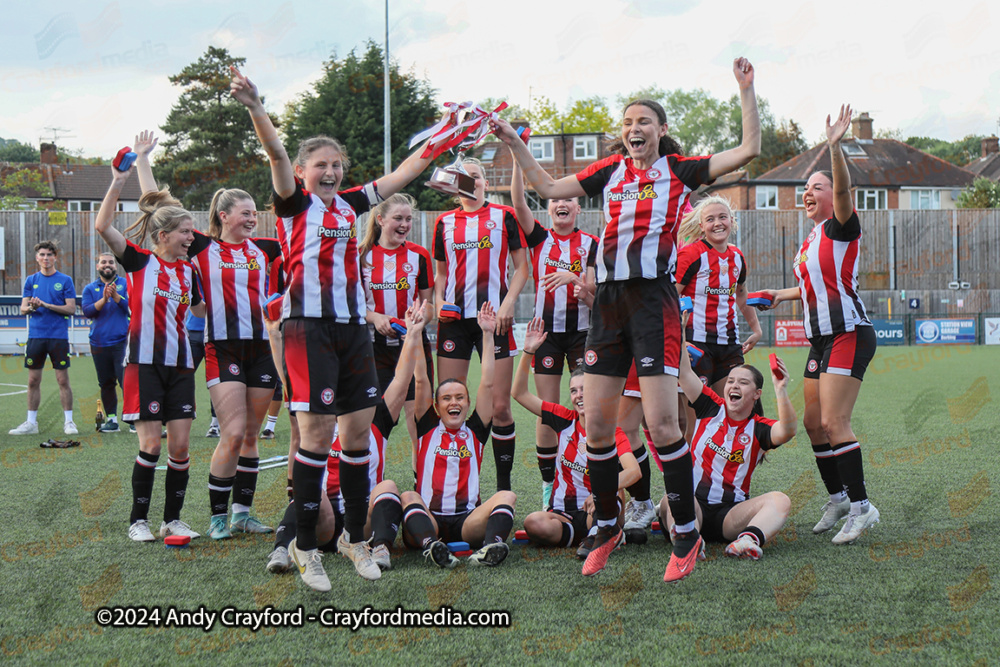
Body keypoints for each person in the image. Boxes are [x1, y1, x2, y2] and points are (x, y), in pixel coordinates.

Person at [494, 57, 761, 580]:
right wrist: (512, 142)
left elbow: (748, 149)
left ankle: (685, 533)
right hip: (608, 304)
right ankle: (608, 523)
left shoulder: (680, 169)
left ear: (661, 131)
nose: (633, 129)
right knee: (597, 424)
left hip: (652, 304)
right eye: (627, 123)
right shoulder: (608, 172)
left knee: (662, 424)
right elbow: (547, 189)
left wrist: (745, 91)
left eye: (643, 122)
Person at [234, 65, 436, 589]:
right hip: (309, 330)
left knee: (356, 439)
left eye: (336, 165)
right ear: (302, 171)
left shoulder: (349, 206)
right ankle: (305, 546)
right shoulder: (293, 205)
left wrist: (442, 139)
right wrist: (258, 107)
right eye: (320, 164)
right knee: (317, 436)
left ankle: (352, 538)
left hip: (352, 332)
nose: (330, 172)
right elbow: (276, 154)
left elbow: (402, 175)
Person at [757, 105, 879, 545]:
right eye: (805, 188)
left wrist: (834, 149)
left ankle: (863, 508)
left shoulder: (841, 226)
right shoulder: (809, 239)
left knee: (834, 423)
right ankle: (840, 498)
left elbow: (844, 189)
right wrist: (777, 295)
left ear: (833, 196)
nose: (807, 193)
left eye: (817, 187)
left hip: (848, 333)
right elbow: (812, 290)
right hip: (821, 340)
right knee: (812, 423)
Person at [268, 301, 427, 574]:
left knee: (388, 486)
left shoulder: (373, 416)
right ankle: (282, 548)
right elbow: (289, 378)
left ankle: (379, 548)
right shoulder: (318, 415)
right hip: (326, 523)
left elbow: (401, 381)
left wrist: (412, 334)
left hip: (362, 522)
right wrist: (274, 335)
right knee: (311, 492)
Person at [94, 159, 203, 543]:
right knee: (151, 445)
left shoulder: (190, 272)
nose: (192, 237)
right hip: (143, 364)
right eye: (186, 232)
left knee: (181, 447)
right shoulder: (140, 262)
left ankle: (171, 520)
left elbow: (201, 310)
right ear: (163, 235)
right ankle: (137, 520)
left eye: (192, 231)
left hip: (182, 367)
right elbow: (102, 226)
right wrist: (118, 180)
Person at [433, 157, 529, 493]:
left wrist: (507, 305)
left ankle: (503, 488)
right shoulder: (444, 222)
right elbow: (441, 275)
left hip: (495, 319)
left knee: (500, 407)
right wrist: (438, 303)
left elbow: (522, 269)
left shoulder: (504, 217)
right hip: (455, 323)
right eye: (464, 177)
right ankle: (452, 485)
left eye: (476, 176)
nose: (471, 182)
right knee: (451, 405)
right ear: (453, 184)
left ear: (485, 182)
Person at [660, 325, 796, 561]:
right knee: (671, 497)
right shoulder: (710, 406)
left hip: (730, 515)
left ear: (756, 394)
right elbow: (683, 371)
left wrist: (781, 390)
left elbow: (788, 430)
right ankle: (689, 540)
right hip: (694, 506)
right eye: (731, 381)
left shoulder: (759, 428)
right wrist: (679, 329)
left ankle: (746, 541)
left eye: (743, 383)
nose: (734, 385)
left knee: (780, 500)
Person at [509, 156, 598, 510]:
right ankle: (550, 485)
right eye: (555, 200)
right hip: (545, 334)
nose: (561, 204)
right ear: (548, 209)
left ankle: (592, 478)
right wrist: (518, 157)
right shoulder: (539, 238)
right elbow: (517, 203)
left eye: (568, 200)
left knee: (589, 407)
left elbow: (594, 296)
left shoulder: (591, 243)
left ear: (578, 207)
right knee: (548, 410)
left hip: (582, 334)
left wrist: (576, 281)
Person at [400, 303, 518, 568]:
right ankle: (432, 547)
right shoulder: (427, 426)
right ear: (437, 406)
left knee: (507, 496)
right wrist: (416, 333)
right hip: (429, 517)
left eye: (460, 397)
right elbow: (421, 380)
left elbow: (488, 382)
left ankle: (489, 548)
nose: (454, 402)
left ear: (467, 403)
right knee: (408, 496)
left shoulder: (475, 430)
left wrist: (488, 334)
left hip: (467, 521)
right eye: (446, 398)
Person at [512, 318, 639, 555]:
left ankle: (600, 534)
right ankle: (597, 538)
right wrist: (528, 351)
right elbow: (518, 393)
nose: (579, 395)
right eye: (573, 390)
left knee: (612, 496)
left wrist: (600, 493)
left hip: (599, 508)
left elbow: (634, 472)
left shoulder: (613, 430)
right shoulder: (564, 418)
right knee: (532, 523)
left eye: (584, 389)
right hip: (564, 514)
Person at [675, 196, 763, 442]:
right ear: (701, 226)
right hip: (695, 345)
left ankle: (725, 472)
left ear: (732, 221)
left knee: (732, 412)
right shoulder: (690, 255)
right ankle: (688, 478)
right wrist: (675, 337)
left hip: (729, 345)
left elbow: (742, 294)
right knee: (697, 419)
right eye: (710, 219)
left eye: (722, 217)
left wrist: (756, 330)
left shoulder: (737, 257)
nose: (717, 223)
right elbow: (670, 296)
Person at [359, 192, 435, 465]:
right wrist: (376, 318)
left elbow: (430, 308)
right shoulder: (361, 256)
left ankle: (423, 491)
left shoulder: (419, 255)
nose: (404, 224)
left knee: (419, 422)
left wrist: (418, 320)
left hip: (413, 348)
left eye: (408, 219)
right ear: (380, 220)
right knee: (372, 424)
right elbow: (351, 306)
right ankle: (367, 483)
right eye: (398, 219)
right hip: (372, 350)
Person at [10, 241, 78, 436]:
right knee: (33, 380)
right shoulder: (31, 280)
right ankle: (31, 423)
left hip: (58, 337)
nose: (46, 258)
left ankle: (69, 422)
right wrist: (33, 307)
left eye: (49, 254)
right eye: (42, 255)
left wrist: (47, 305)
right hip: (36, 337)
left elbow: (71, 308)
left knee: (62, 380)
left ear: (55, 257)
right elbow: (23, 309)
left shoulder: (65, 280)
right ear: (37, 258)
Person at [81, 253, 129, 433]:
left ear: (116, 267)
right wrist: (104, 299)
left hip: (122, 342)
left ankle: (132, 420)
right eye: (103, 262)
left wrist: (116, 296)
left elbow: (131, 307)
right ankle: (112, 420)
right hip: (99, 344)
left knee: (126, 382)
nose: (107, 265)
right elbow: (88, 312)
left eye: (110, 262)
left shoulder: (125, 284)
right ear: (97, 266)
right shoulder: (90, 288)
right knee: (106, 383)